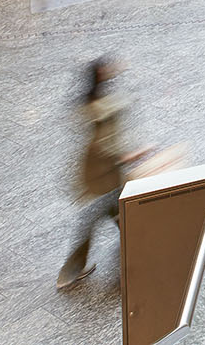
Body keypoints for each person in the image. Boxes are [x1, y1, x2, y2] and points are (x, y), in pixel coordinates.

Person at [56, 58, 152, 290]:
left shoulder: (94, 103)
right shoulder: (100, 109)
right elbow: (105, 145)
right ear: (100, 76)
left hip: (100, 178)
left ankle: (72, 272)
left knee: (116, 220)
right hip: (104, 178)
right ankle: (125, 272)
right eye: (106, 70)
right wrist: (131, 155)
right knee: (120, 221)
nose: (111, 71)